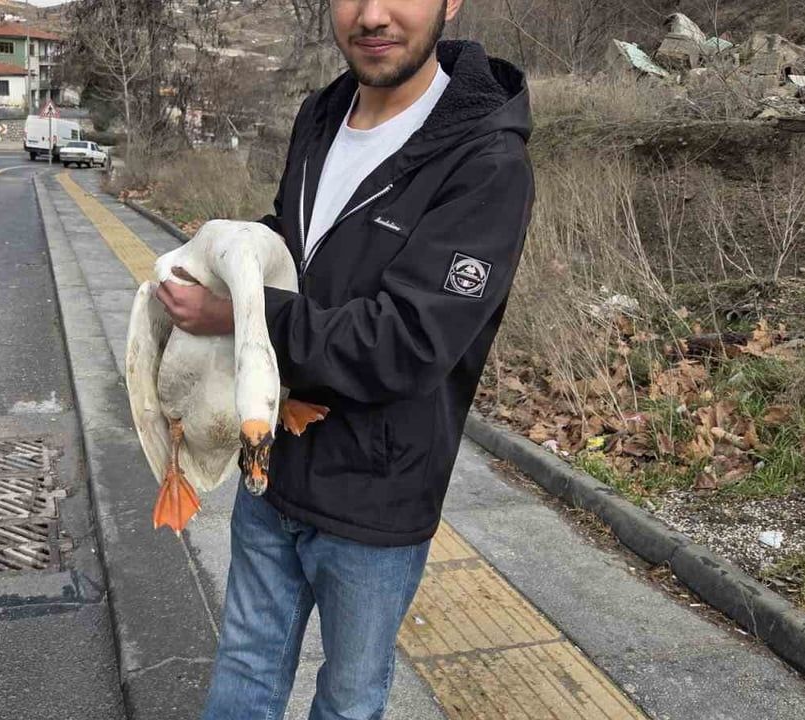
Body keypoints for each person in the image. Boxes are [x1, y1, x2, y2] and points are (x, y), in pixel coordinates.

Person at [156, 0, 534, 717]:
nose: (372, 14)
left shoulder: (486, 162)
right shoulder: (324, 113)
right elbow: (297, 250)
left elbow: (408, 343)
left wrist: (241, 314)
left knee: (350, 697)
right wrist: (223, 262)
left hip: (376, 497)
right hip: (272, 462)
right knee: (244, 663)